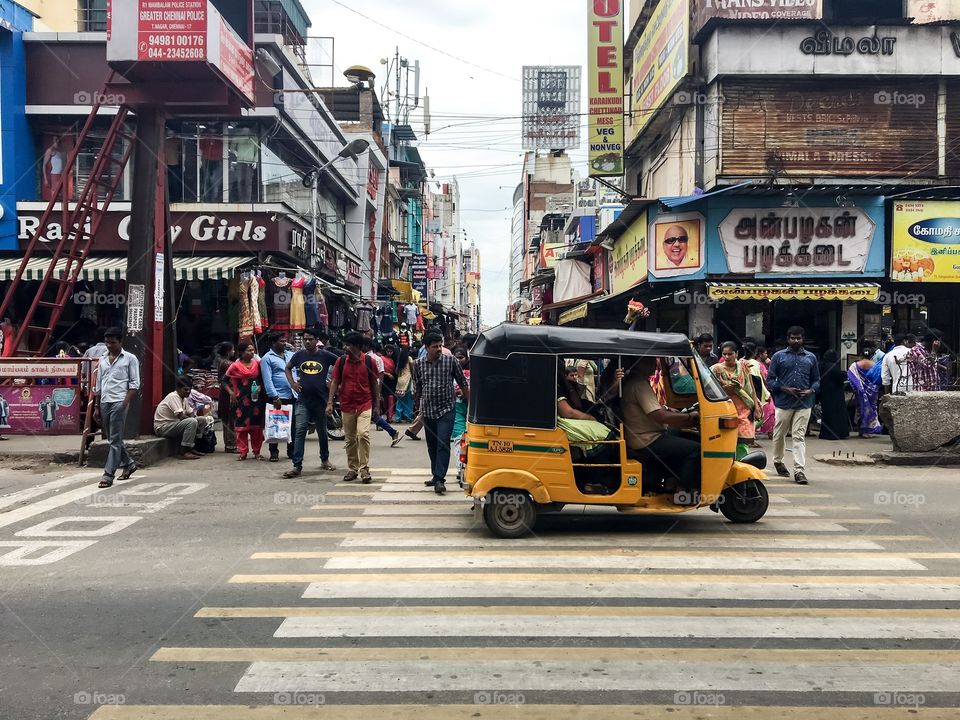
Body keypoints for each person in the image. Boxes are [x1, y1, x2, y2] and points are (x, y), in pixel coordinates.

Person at [620, 356, 700, 502]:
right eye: (651, 361)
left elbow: (657, 409)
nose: (656, 364)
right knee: (695, 449)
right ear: (640, 363)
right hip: (647, 438)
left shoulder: (637, 381)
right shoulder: (639, 384)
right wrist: (689, 417)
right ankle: (683, 492)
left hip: (646, 434)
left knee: (681, 435)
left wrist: (674, 412)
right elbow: (659, 415)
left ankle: (670, 481)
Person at [413, 331, 469, 495]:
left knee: (443, 442)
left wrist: (469, 404)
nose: (438, 349)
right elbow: (418, 387)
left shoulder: (450, 361)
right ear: (426, 347)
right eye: (435, 346)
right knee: (432, 445)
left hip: (447, 409)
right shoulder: (418, 364)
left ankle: (439, 479)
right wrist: (417, 404)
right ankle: (435, 475)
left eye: (440, 346)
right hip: (428, 410)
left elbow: (462, 383)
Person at [766, 326, 820, 485]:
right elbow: (770, 380)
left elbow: (816, 380)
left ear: (803, 339)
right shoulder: (778, 357)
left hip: (804, 403)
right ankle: (778, 461)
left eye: (798, 338)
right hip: (783, 402)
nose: (796, 341)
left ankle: (799, 470)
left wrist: (811, 390)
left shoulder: (811, 358)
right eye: (793, 338)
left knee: (798, 436)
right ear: (787, 339)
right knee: (779, 434)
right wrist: (784, 389)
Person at [284, 327, 338, 478]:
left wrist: (334, 382)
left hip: (321, 401)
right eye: (305, 339)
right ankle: (297, 465)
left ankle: (325, 459)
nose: (307, 342)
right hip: (302, 400)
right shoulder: (299, 355)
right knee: (300, 430)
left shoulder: (326, 356)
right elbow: (287, 368)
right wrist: (293, 384)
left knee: (322, 431)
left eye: (310, 339)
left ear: (316, 340)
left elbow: (341, 364)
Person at [328, 331, 380, 483]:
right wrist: (330, 402)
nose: (345, 347)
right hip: (346, 405)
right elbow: (335, 382)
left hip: (365, 403)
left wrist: (377, 405)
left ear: (357, 346)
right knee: (350, 439)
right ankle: (353, 469)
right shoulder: (341, 361)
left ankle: (364, 469)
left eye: (348, 345)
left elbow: (374, 385)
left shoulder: (370, 361)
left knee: (363, 434)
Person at [93, 327, 140, 488]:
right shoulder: (103, 359)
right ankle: (129, 464)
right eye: (107, 342)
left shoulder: (130, 358)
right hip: (105, 401)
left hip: (120, 401)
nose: (109, 346)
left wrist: (125, 402)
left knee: (114, 439)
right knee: (113, 438)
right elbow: (98, 384)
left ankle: (108, 474)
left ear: (121, 342)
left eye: (112, 342)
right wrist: (97, 406)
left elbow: (134, 384)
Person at [711, 341, 759, 457]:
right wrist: (724, 389)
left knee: (742, 443)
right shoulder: (716, 369)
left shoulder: (744, 367)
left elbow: (751, 388)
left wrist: (756, 407)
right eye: (724, 354)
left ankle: (741, 465)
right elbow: (710, 390)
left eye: (730, 354)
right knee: (726, 440)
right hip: (725, 409)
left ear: (737, 354)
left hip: (744, 408)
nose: (727, 357)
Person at [223, 341, 266, 460]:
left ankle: (257, 451)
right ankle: (243, 451)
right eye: (249, 350)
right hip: (240, 400)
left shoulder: (258, 364)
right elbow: (224, 381)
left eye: (253, 350)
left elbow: (262, 379)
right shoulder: (234, 366)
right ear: (241, 352)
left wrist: (261, 388)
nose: (252, 352)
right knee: (241, 427)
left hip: (256, 399)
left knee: (257, 427)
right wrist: (231, 392)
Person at [154, 377, 213, 460]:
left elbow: (191, 412)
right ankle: (183, 451)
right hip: (163, 427)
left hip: (174, 424)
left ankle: (193, 446)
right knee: (192, 422)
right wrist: (193, 420)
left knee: (202, 420)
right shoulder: (173, 396)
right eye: (185, 390)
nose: (188, 392)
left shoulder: (184, 399)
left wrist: (195, 419)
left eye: (189, 390)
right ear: (178, 388)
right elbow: (181, 416)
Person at [260, 332, 295, 462]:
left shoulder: (290, 355)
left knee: (292, 425)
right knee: (275, 424)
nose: (284, 343)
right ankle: (274, 452)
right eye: (281, 341)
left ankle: (292, 450)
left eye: (285, 341)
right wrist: (274, 396)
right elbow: (267, 380)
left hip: (292, 394)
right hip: (278, 396)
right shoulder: (267, 358)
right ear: (273, 343)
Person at [362, 337, 403, 446]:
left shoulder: (370, 358)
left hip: (369, 389)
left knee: (369, 414)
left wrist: (377, 393)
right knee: (372, 415)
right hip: (371, 389)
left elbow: (379, 377)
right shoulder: (377, 358)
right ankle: (392, 432)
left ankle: (392, 432)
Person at [743, 343, 774, 443]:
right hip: (756, 391)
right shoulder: (756, 364)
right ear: (756, 352)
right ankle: (753, 436)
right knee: (760, 412)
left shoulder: (740, 362)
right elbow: (760, 379)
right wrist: (766, 392)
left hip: (744, 392)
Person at [817, 350, 850, 441]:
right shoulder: (832, 366)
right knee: (836, 414)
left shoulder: (822, 365)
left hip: (825, 394)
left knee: (827, 414)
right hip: (835, 395)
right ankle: (836, 433)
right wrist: (845, 373)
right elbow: (840, 377)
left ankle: (826, 433)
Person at [847, 353, 882, 437]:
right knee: (872, 408)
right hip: (872, 391)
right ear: (871, 356)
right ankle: (869, 430)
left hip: (860, 391)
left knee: (861, 409)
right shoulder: (875, 365)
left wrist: (858, 388)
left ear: (861, 355)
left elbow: (850, 376)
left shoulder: (855, 365)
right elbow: (878, 377)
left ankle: (861, 429)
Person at [215, 342, 238, 453]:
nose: (234, 352)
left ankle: (230, 444)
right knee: (230, 420)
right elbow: (224, 380)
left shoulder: (222, 362)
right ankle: (231, 445)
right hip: (229, 393)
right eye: (233, 350)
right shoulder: (228, 364)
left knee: (228, 419)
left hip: (226, 393)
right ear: (228, 352)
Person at [393, 345, 415, 423]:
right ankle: (408, 416)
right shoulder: (409, 359)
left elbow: (396, 371)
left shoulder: (399, 359)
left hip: (400, 380)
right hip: (407, 380)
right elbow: (412, 370)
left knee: (399, 400)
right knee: (409, 400)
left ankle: (398, 417)